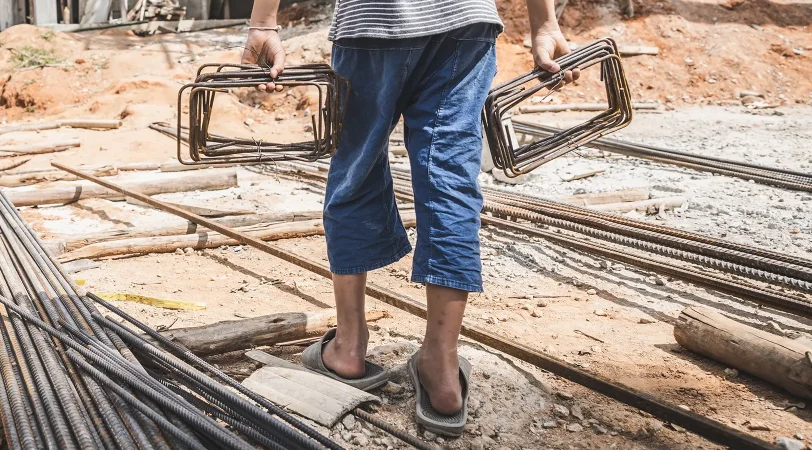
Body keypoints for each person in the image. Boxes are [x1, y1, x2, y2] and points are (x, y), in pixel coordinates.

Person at [244, 0, 578, 437]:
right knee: (451, 181)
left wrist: (263, 22)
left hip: (373, 24)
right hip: (463, 23)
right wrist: (544, 22)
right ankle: (441, 367)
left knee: (357, 170)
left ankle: (347, 347)